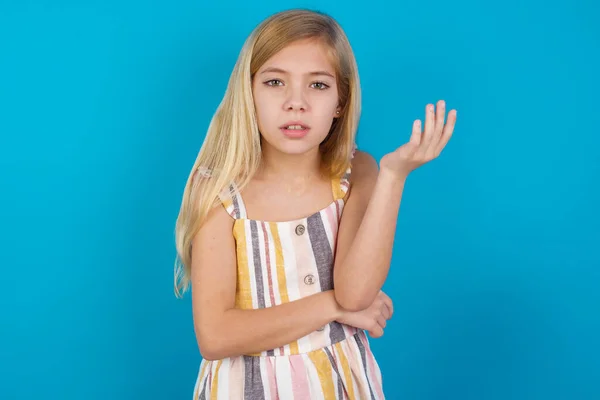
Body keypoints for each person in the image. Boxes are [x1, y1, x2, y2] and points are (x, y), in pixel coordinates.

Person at [173, 8, 456, 400]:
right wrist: (330, 307)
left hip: (341, 384)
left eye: (318, 86)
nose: (296, 103)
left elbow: (355, 294)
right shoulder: (220, 193)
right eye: (275, 82)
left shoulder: (357, 171)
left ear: (341, 100)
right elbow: (216, 336)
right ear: (249, 93)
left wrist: (393, 176)